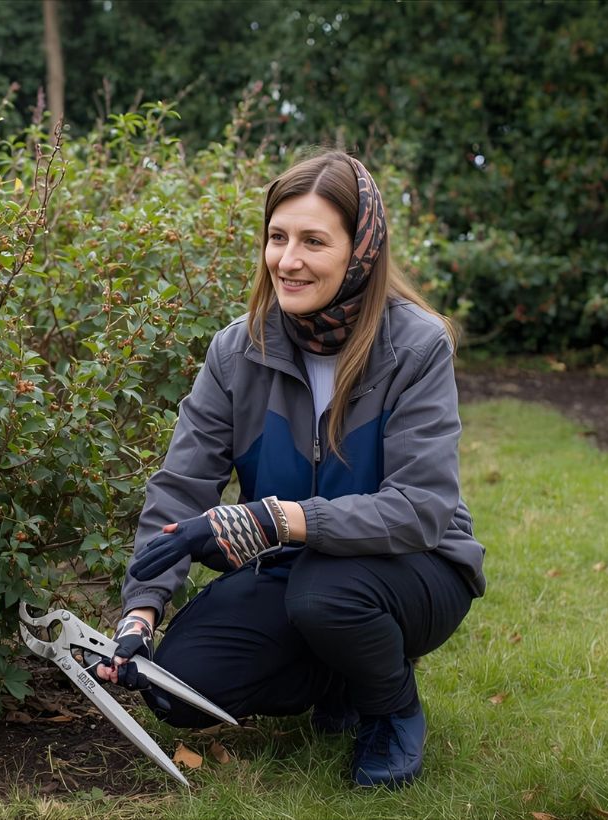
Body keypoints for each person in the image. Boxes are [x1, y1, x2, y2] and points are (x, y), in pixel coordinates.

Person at [94, 148, 485, 789]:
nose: (288, 259)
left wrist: (274, 519)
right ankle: (340, 675)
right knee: (175, 687)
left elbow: (422, 508)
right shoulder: (237, 350)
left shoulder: (416, 346)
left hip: (416, 566)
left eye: (314, 241)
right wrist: (140, 611)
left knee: (327, 595)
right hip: (292, 567)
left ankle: (390, 708)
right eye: (278, 237)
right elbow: (182, 486)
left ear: (361, 251)